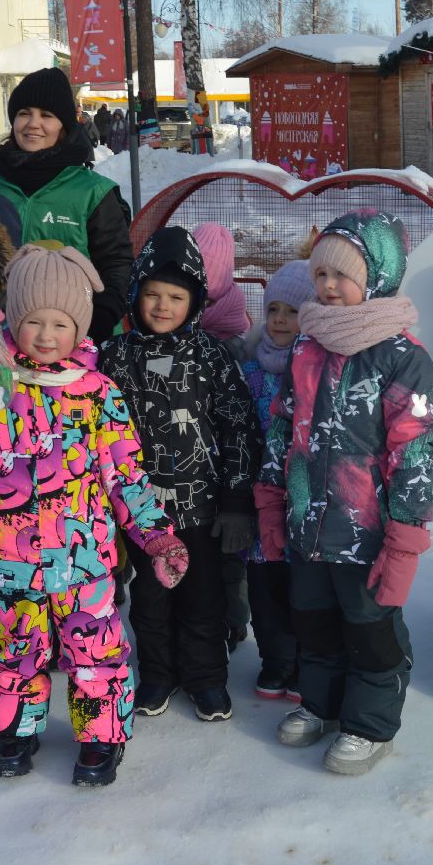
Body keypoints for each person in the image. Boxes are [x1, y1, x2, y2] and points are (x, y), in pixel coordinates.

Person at [0, 245, 186, 786]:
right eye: (33, 322)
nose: (46, 335)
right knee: (17, 649)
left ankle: (99, 740)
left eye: (60, 323)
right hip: (9, 557)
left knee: (95, 651)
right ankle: (17, 733)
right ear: (15, 324)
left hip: (84, 560)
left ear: (80, 327)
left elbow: (126, 476)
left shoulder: (96, 395)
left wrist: (157, 538)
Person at [254, 210, 433, 776]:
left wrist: (405, 540)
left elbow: (413, 454)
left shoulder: (403, 357)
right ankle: (322, 703)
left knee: (369, 627)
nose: (327, 287)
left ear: (377, 275)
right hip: (309, 521)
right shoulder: (306, 349)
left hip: (369, 532)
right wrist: (270, 501)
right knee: (313, 619)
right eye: (320, 276)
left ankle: (370, 724)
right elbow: (282, 427)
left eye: (342, 275)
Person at [99, 226, 261, 723]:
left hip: (202, 508)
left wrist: (236, 499)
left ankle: (206, 678)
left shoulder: (210, 356)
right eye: (152, 294)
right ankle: (157, 675)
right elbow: (95, 430)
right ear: (136, 295)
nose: (163, 305)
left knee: (203, 599)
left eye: (176, 296)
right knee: (150, 602)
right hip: (143, 515)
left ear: (194, 302)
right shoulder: (115, 357)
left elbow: (239, 426)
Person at [0, 67, 132, 341]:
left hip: (77, 335)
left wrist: (102, 317)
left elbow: (117, 264)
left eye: (46, 115)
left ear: (64, 127)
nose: (33, 123)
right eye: (24, 113)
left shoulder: (93, 192)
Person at [238, 259, 312, 702]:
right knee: (264, 588)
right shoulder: (250, 371)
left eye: (293, 311)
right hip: (259, 498)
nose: (281, 320)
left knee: (302, 585)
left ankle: (305, 660)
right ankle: (276, 660)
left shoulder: (317, 372)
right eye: (274, 310)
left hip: (302, 497)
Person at [190, 221, 255, 652]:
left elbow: (240, 414)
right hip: (188, 460)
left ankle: (234, 620)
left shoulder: (232, 333)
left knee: (229, 554)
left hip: (226, 460)